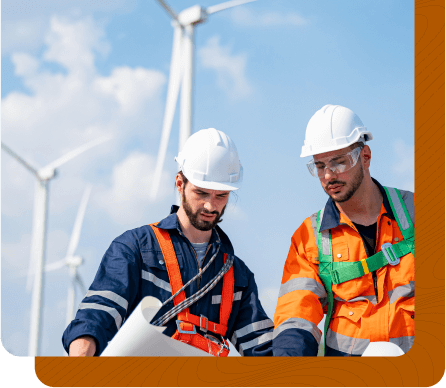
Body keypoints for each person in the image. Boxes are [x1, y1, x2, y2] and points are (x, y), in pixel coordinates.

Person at [63, 128, 274, 357]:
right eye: (201, 193)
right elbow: (97, 316)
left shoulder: (236, 275)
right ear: (180, 183)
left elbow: (262, 350)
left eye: (221, 195)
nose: (211, 206)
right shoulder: (135, 249)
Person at [273, 105, 414, 356]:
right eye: (319, 166)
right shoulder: (309, 239)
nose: (328, 175)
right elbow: (296, 318)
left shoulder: (417, 213)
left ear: (366, 157)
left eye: (339, 162)